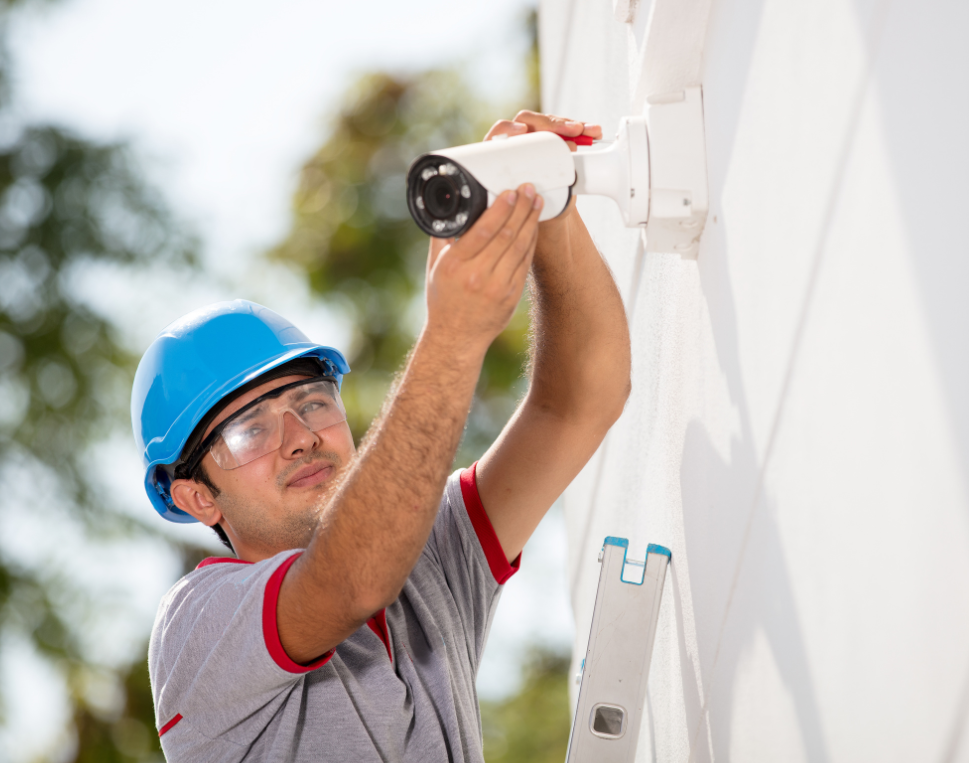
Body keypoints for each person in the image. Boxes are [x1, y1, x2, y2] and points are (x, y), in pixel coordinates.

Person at [130, 112, 631, 761]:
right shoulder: (197, 630)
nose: (300, 436)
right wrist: (451, 335)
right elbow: (348, 585)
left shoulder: (427, 557)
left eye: (312, 402)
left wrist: (541, 196)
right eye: (251, 429)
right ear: (198, 498)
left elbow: (577, 403)